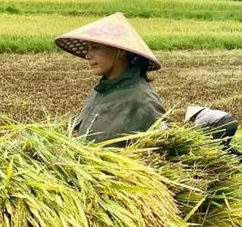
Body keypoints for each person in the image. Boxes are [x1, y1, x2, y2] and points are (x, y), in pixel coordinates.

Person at [55, 12, 166, 148]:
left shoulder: (142, 100)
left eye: (95, 48)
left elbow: (162, 151)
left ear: (120, 51)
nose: (88, 55)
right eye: (88, 49)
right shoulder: (98, 93)